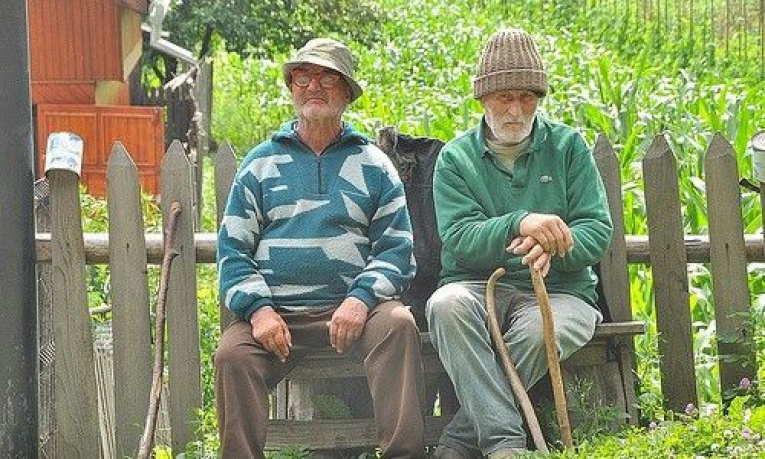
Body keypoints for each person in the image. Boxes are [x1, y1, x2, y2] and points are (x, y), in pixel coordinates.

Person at [214, 37, 425, 459]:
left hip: (355, 312)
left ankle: (404, 454)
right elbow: (233, 252)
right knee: (232, 356)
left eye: (327, 78)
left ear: (346, 92)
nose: (313, 86)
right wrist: (259, 311)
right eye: (302, 77)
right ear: (291, 87)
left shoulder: (374, 164)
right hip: (279, 316)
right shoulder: (259, 164)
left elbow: (396, 250)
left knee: (399, 324)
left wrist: (360, 301)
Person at [427, 28, 613, 458]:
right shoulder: (455, 158)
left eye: (526, 98)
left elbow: (597, 230)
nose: (515, 110)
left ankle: (461, 441)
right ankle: (505, 445)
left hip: (561, 291)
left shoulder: (568, 147)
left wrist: (554, 244)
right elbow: (459, 237)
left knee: (538, 332)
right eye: (504, 97)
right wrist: (520, 223)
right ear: (483, 98)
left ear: (539, 98)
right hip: (477, 286)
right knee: (445, 306)